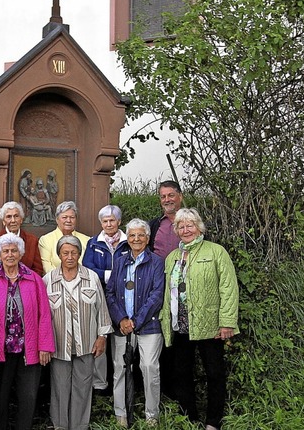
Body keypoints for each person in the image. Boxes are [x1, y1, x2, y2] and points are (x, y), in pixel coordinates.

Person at [159, 208, 239, 430]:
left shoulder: (216, 252)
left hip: (209, 324)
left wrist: (227, 322)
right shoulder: (172, 257)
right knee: (182, 373)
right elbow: (167, 293)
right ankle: (190, 418)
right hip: (181, 326)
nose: (186, 230)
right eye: (181, 226)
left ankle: (213, 421)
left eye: (190, 225)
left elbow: (228, 288)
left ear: (199, 227)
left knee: (214, 373)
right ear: (176, 230)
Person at [0, 233, 55, 430]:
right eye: (5, 251)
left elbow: (44, 313)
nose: (10, 254)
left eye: (14, 251)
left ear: (21, 254)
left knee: (28, 398)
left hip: (28, 349)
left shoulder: (34, 279)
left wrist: (44, 345)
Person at [43, 235, 113, 430]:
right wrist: (44, 343)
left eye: (74, 252)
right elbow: (42, 315)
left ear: (80, 254)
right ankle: (60, 426)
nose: (70, 257)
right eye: (65, 253)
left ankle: (80, 426)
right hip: (59, 345)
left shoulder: (91, 277)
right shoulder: (48, 280)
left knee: (83, 387)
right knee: (60, 388)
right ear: (59, 255)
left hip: (87, 343)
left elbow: (102, 309)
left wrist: (102, 336)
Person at [106, 219, 164, 428]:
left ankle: (151, 415)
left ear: (147, 239)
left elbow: (157, 295)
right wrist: (121, 319)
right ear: (127, 239)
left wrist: (136, 321)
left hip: (148, 325)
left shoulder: (156, 262)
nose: (136, 239)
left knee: (149, 367)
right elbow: (110, 292)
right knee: (120, 367)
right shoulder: (119, 261)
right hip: (122, 326)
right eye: (132, 235)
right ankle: (121, 414)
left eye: (141, 235)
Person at [82, 205, 131, 395]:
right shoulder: (94, 243)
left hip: (123, 299)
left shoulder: (129, 241)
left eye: (112, 220)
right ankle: (100, 385)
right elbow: (89, 268)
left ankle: (122, 385)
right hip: (100, 297)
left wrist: (115, 277)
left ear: (119, 222)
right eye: (105, 221)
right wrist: (112, 275)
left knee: (120, 343)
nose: (109, 224)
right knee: (100, 339)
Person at [148, 180, 183, 399]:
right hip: (158, 287)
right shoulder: (154, 225)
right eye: (163, 196)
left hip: (183, 288)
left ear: (179, 195)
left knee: (179, 340)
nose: (167, 200)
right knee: (160, 336)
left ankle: (178, 390)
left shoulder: (188, 222)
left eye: (171, 195)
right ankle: (159, 390)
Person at [0, 201, 43, 275]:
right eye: (9, 217)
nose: (13, 220)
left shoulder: (32, 240)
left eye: (16, 216)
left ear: (21, 220)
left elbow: (38, 269)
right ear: (3, 221)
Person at [38, 201, 90, 274]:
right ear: (57, 219)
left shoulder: (87, 240)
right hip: (55, 281)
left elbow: (89, 266)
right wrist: (64, 279)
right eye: (64, 217)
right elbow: (46, 266)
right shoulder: (46, 240)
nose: (68, 220)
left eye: (72, 217)